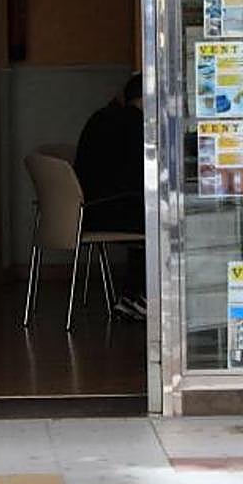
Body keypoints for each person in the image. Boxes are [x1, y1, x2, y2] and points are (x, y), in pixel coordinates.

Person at [74, 73, 145, 320]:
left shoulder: (100, 118)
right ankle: (142, 295)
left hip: (89, 210)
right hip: (114, 211)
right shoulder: (136, 125)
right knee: (160, 218)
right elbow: (138, 177)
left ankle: (132, 296)